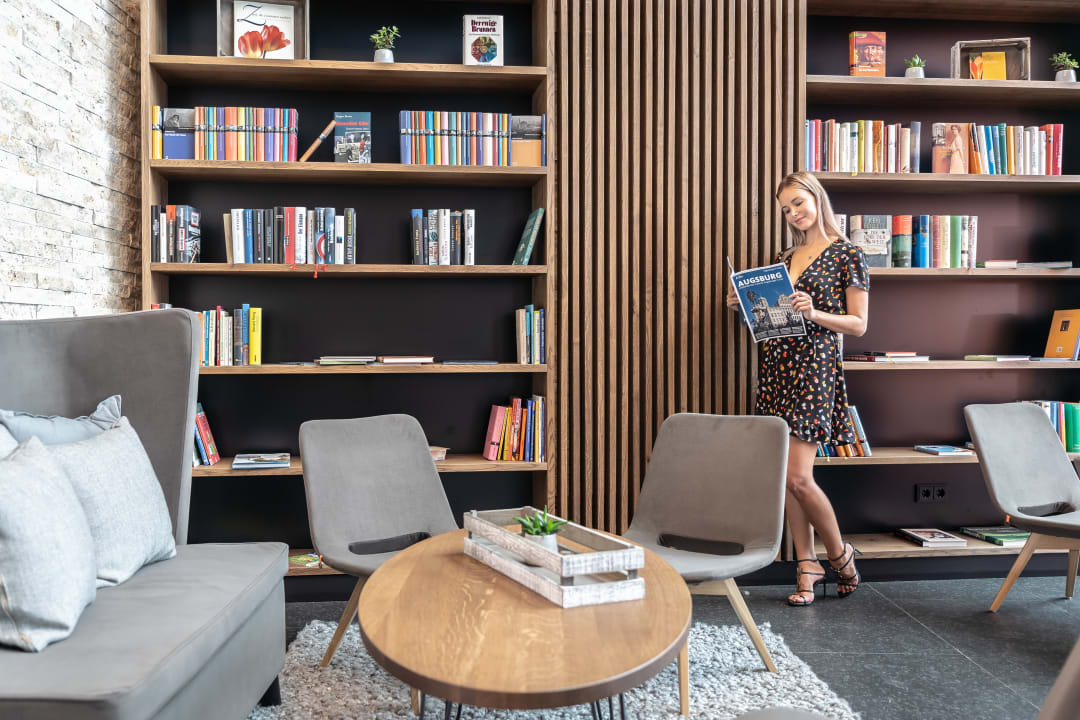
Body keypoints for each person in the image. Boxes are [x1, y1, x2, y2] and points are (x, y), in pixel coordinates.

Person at [726, 171, 870, 606]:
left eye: (798, 202)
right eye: (786, 209)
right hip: (777, 368)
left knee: (798, 477)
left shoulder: (848, 254)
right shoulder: (784, 258)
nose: (793, 213)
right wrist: (744, 306)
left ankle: (840, 554)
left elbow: (858, 325)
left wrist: (815, 312)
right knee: (785, 479)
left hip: (814, 370)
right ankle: (806, 564)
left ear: (816, 198)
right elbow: (774, 320)